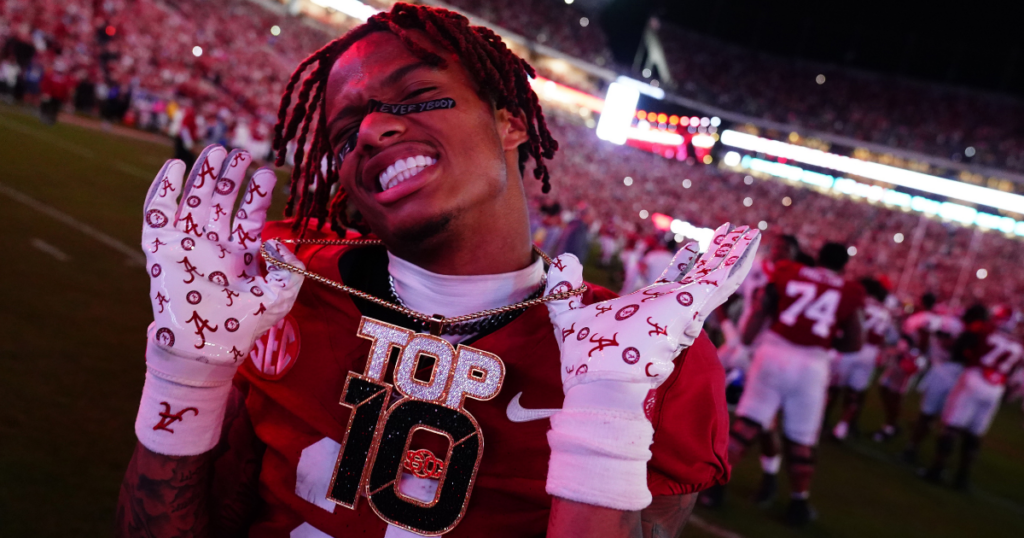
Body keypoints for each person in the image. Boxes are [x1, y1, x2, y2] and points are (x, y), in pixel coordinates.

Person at [115, 5, 759, 537]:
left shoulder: (648, 361)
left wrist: (607, 416)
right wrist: (188, 371)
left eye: (420, 98)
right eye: (345, 135)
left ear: (509, 122)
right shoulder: (280, 291)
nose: (369, 132)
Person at [717, 242, 864, 526]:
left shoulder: (789, 271)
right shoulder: (850, 290)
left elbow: (762, 309)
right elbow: (855, 341)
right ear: (845, 266)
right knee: (801, 440)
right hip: (812, 363)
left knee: (747, 423)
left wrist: (746, 341)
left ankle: (715, 486)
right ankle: (799, 503)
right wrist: (827, 339)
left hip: (773, 351)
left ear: (817, 258)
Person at [922, 304, 1023, 488]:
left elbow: (963, 348)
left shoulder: (984, 329)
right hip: (995, 387)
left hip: (975, 376)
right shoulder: (1018, 343)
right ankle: (962, 477)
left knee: (952, 426)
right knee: (974, 433)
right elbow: (1015, 370)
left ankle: (937, 469)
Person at [830, 277, 892, 440]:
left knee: (833, 387)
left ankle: (820, 420)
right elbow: (883, 336)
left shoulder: (862, 302)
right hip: (870, 352)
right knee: (854, 393)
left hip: (853, 346)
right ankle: (842, 428)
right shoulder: (885, 311)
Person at [903, 301, 965, 463]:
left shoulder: (948, 324)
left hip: (945, 372)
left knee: (930, 416)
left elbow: (933, 336)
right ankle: (935, 460)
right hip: (950, 372)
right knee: (945, 421)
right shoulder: (957, 326)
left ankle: (915, 448)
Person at [873, 292, 937, 442]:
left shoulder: (921, 318)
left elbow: (919, 339)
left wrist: (912, 354)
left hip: (909, 357)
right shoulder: (931, 318)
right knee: (887, 388)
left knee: (894, 392)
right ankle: (891, 424)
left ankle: (890, 426)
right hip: (913, 356)